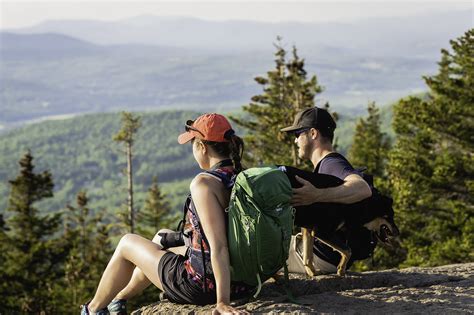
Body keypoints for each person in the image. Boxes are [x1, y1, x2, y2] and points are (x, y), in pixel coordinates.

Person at [81, 113, 250, 315]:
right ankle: (118, 299)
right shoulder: (240, 176)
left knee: (126, 243)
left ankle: (92, 310)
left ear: (202, 147)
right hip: (241, 282)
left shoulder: (204, 184)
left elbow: (219, 246)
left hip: (201, 286)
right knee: (160, 238)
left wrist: (222, 302)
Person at [281, 107, 373, 273]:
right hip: (324, 254)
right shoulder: (324, 166)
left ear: (313, 133)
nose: (295, 141)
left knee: (253, 252)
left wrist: (316, 195)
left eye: (297, 135)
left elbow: (362, 188)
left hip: (322, 256)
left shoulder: (331, 163)